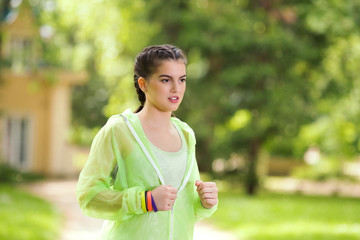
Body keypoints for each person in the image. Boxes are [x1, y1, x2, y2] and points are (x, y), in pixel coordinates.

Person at [76, 44, 218, 240]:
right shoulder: (120, 130)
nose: (176, 88)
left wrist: (204, 202)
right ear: (143, 84)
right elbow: (88, 197)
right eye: (166, 80)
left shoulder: (186, 134)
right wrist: (146, 200)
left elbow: (183, 209)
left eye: (182, 79)